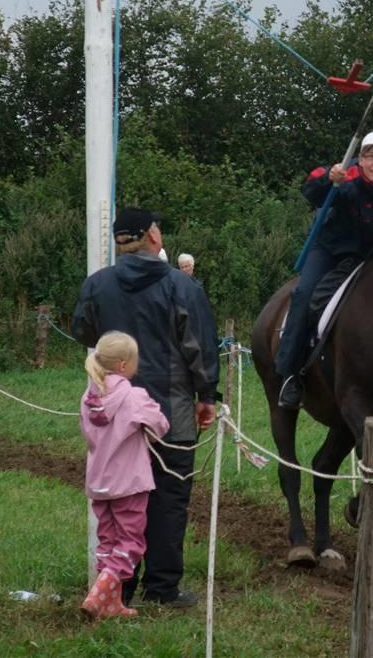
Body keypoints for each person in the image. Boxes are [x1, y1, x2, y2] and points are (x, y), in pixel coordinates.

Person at [72, 208, 219, 608]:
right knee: (169, 501)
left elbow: (83, 331)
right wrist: (208, 397)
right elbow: (200, 348)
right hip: (169, 417)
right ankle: (162, 589)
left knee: (119, 504)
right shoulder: (182, 286)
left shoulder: (97, 285)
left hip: (113, 416)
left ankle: (120, 587)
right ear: (153, 237)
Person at [276, 128, 373, 409]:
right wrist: (327, 179)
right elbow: (312, 189)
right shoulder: (345, 174)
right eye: (370, 156)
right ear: (360, 159)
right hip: (331, 249)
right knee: (305, 294)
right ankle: (289, 373)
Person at [80, 331, 170, 621]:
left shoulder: (88, 397)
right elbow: (161, 426)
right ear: (122, 365)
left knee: (107, 541)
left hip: (98, 483)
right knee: (131, 544)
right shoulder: (134, 396)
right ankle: (98, 594)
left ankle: (112, 603)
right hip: (129, 484)